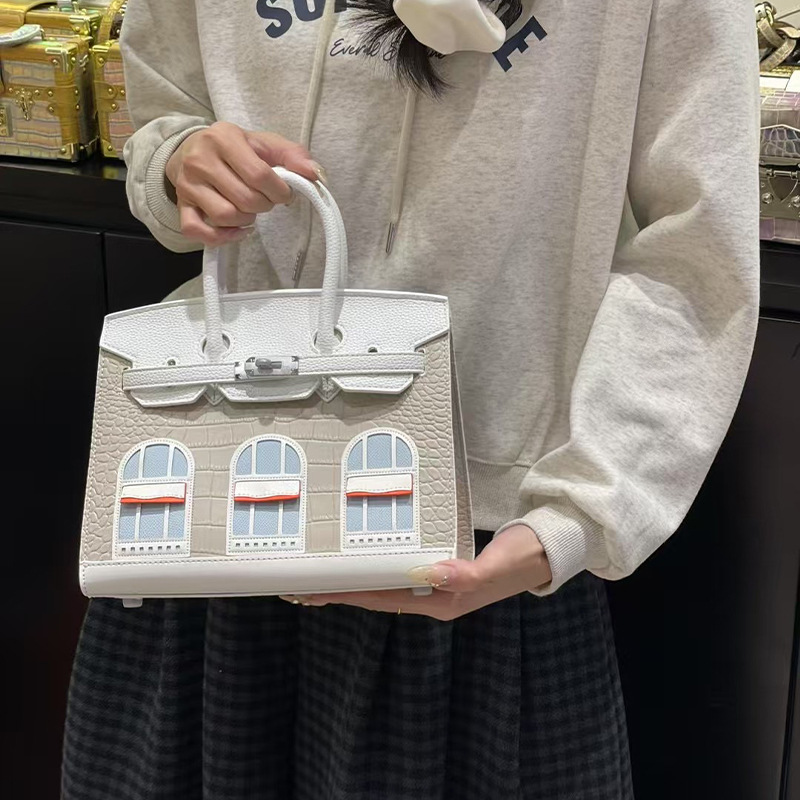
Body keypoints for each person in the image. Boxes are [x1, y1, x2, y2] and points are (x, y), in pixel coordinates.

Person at [62, 0, 760, 797]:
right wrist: (181, 162)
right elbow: (165, 117)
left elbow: (695, 260)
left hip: (491, 541)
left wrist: (578, 518)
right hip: (221, 503)